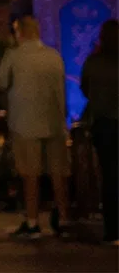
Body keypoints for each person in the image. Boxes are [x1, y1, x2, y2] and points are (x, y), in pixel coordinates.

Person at [0, 14, 69, 239]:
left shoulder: (15, 56)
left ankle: (32, 222)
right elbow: (61, 90)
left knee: (30, 175)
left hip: (24, 123)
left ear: (19, 33)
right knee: (58, 173)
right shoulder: (53, 56)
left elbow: (1, 82)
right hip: (54, 122)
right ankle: (63, 219)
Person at [79, 19, 118, 246]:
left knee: (110, 175)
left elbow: (85, 87)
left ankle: (113, 230)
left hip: (103, 123)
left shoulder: (93, 62)